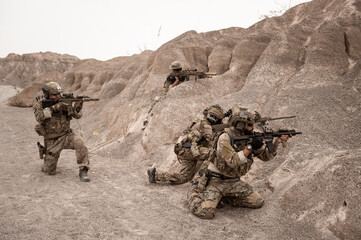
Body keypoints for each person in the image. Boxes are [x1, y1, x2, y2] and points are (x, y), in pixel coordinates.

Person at [187, 108, 291, 219]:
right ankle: (193, 191)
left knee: (257, 201)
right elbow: (233, 161)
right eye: (250, 125)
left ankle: (223, 197)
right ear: (241, 125)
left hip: (232, 181)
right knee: (205, 212)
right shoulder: (224, 138)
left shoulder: (248, 137)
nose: (253, 128)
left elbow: (265, 157)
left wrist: (276, 142)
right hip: (215, 181)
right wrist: (250, 147)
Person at [147, 105, 225, 184]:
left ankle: (155, 174)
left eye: (216, 118)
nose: (214, 119)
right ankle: (200, 179)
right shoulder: (205, 125)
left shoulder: (200, 122)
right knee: (212, 154)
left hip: (185, 150)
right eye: (213, 116)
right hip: (188, 150)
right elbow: (210, 138)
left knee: (184, 177)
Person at [33, 82, 91, 182]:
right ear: (47, 95)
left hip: (67, 135)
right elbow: (40, 118)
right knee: (49, 171)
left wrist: (77, 106)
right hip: (52, 140)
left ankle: (83, 170)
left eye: (59, 94)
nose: (58, 96)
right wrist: (55, 108)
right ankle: (47, 161)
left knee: (80, 143)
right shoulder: (40, 104)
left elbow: (77, 116)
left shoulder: (64, 102)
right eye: (54, 94)